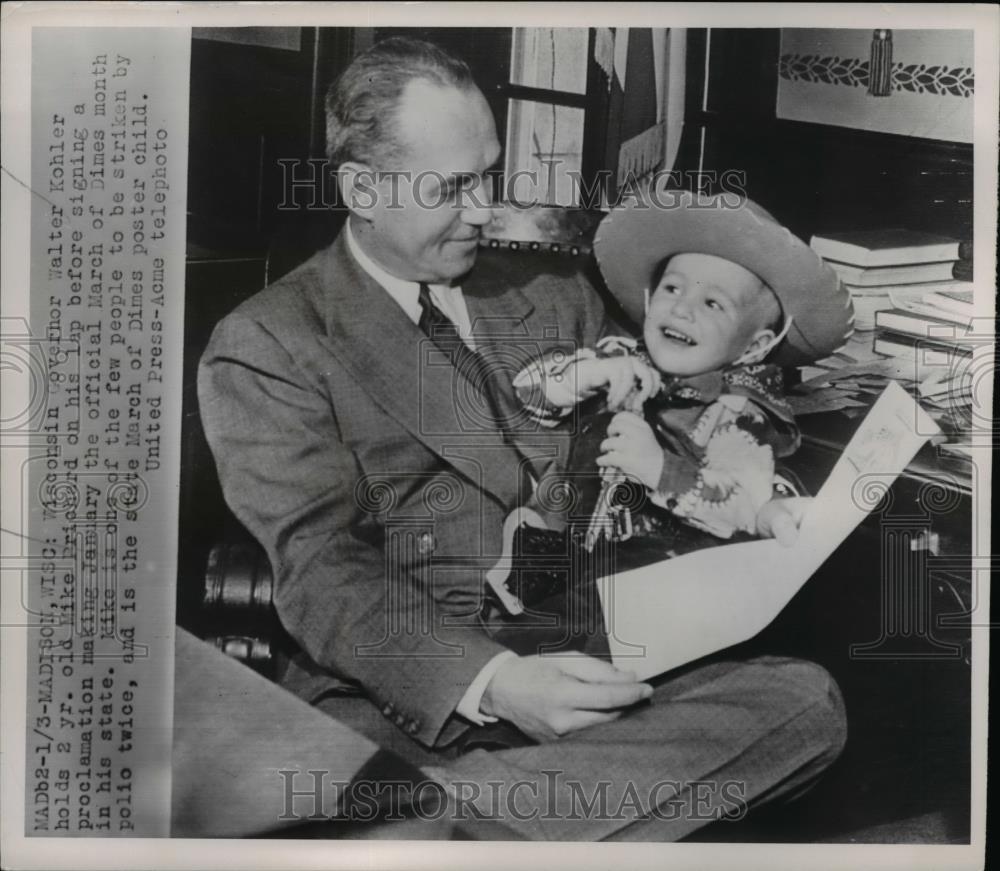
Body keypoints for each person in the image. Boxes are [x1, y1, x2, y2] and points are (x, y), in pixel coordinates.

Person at [198, 36, 847, 839]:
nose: (485, 207)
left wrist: (750, 487)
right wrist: (496, 682)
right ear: (362, 187)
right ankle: (479, 818)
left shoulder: (547, 286)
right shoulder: (269, 342)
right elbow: (322, 571)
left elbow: (662, 425)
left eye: (489, 174)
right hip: (415, 687)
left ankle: (444, 819)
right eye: (454, 186)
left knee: (807, 702)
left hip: (592, 642)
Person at [512, 191, 853, 542]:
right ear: (649, 297)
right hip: (565, 552)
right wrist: (583, 377)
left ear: (755, 346)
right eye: (673, 288)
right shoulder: (620, 359)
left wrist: (659, 468)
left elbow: (744, 505)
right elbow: (526, 393)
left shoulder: (736, 413)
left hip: (663, 571)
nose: (682, 309)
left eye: (712, 303)